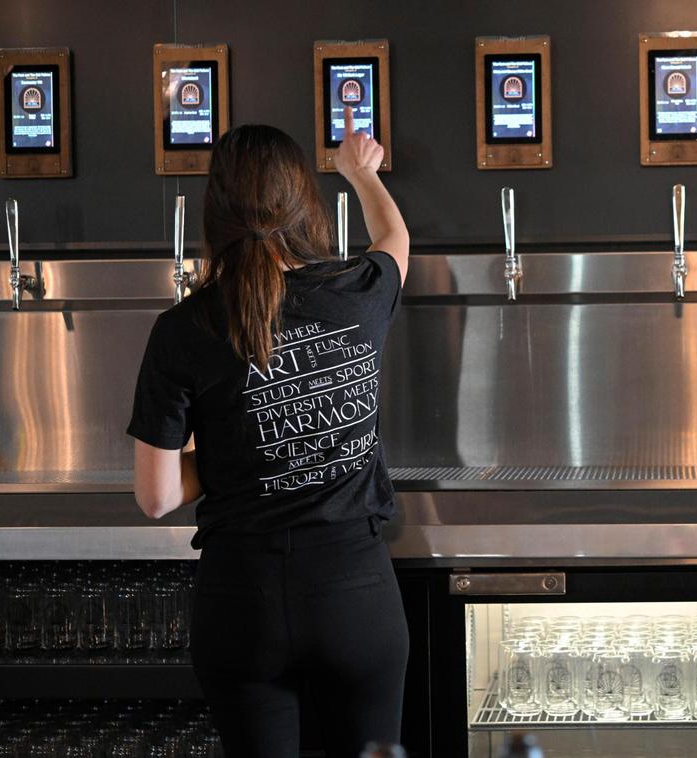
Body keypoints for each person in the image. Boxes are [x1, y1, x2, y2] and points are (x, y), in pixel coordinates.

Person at [127, 106, 410, 757]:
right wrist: (360, 173)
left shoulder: (180, 330)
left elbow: (157, 496)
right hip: (356, 596)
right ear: (303, 203)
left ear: (214, 212)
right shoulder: (359, 291)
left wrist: (233, 454)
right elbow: (395, 237)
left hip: (241, 604)